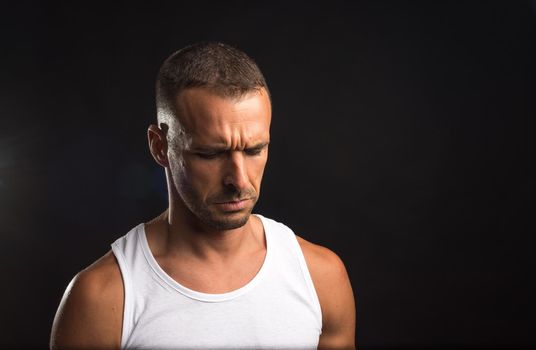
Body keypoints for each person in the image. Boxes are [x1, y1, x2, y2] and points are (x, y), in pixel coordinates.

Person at [50, 42, 356, 350]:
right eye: (210, 153)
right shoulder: (105, 297)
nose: (238, 180)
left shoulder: (320, 277)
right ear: (159, 146)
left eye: (254, 150)